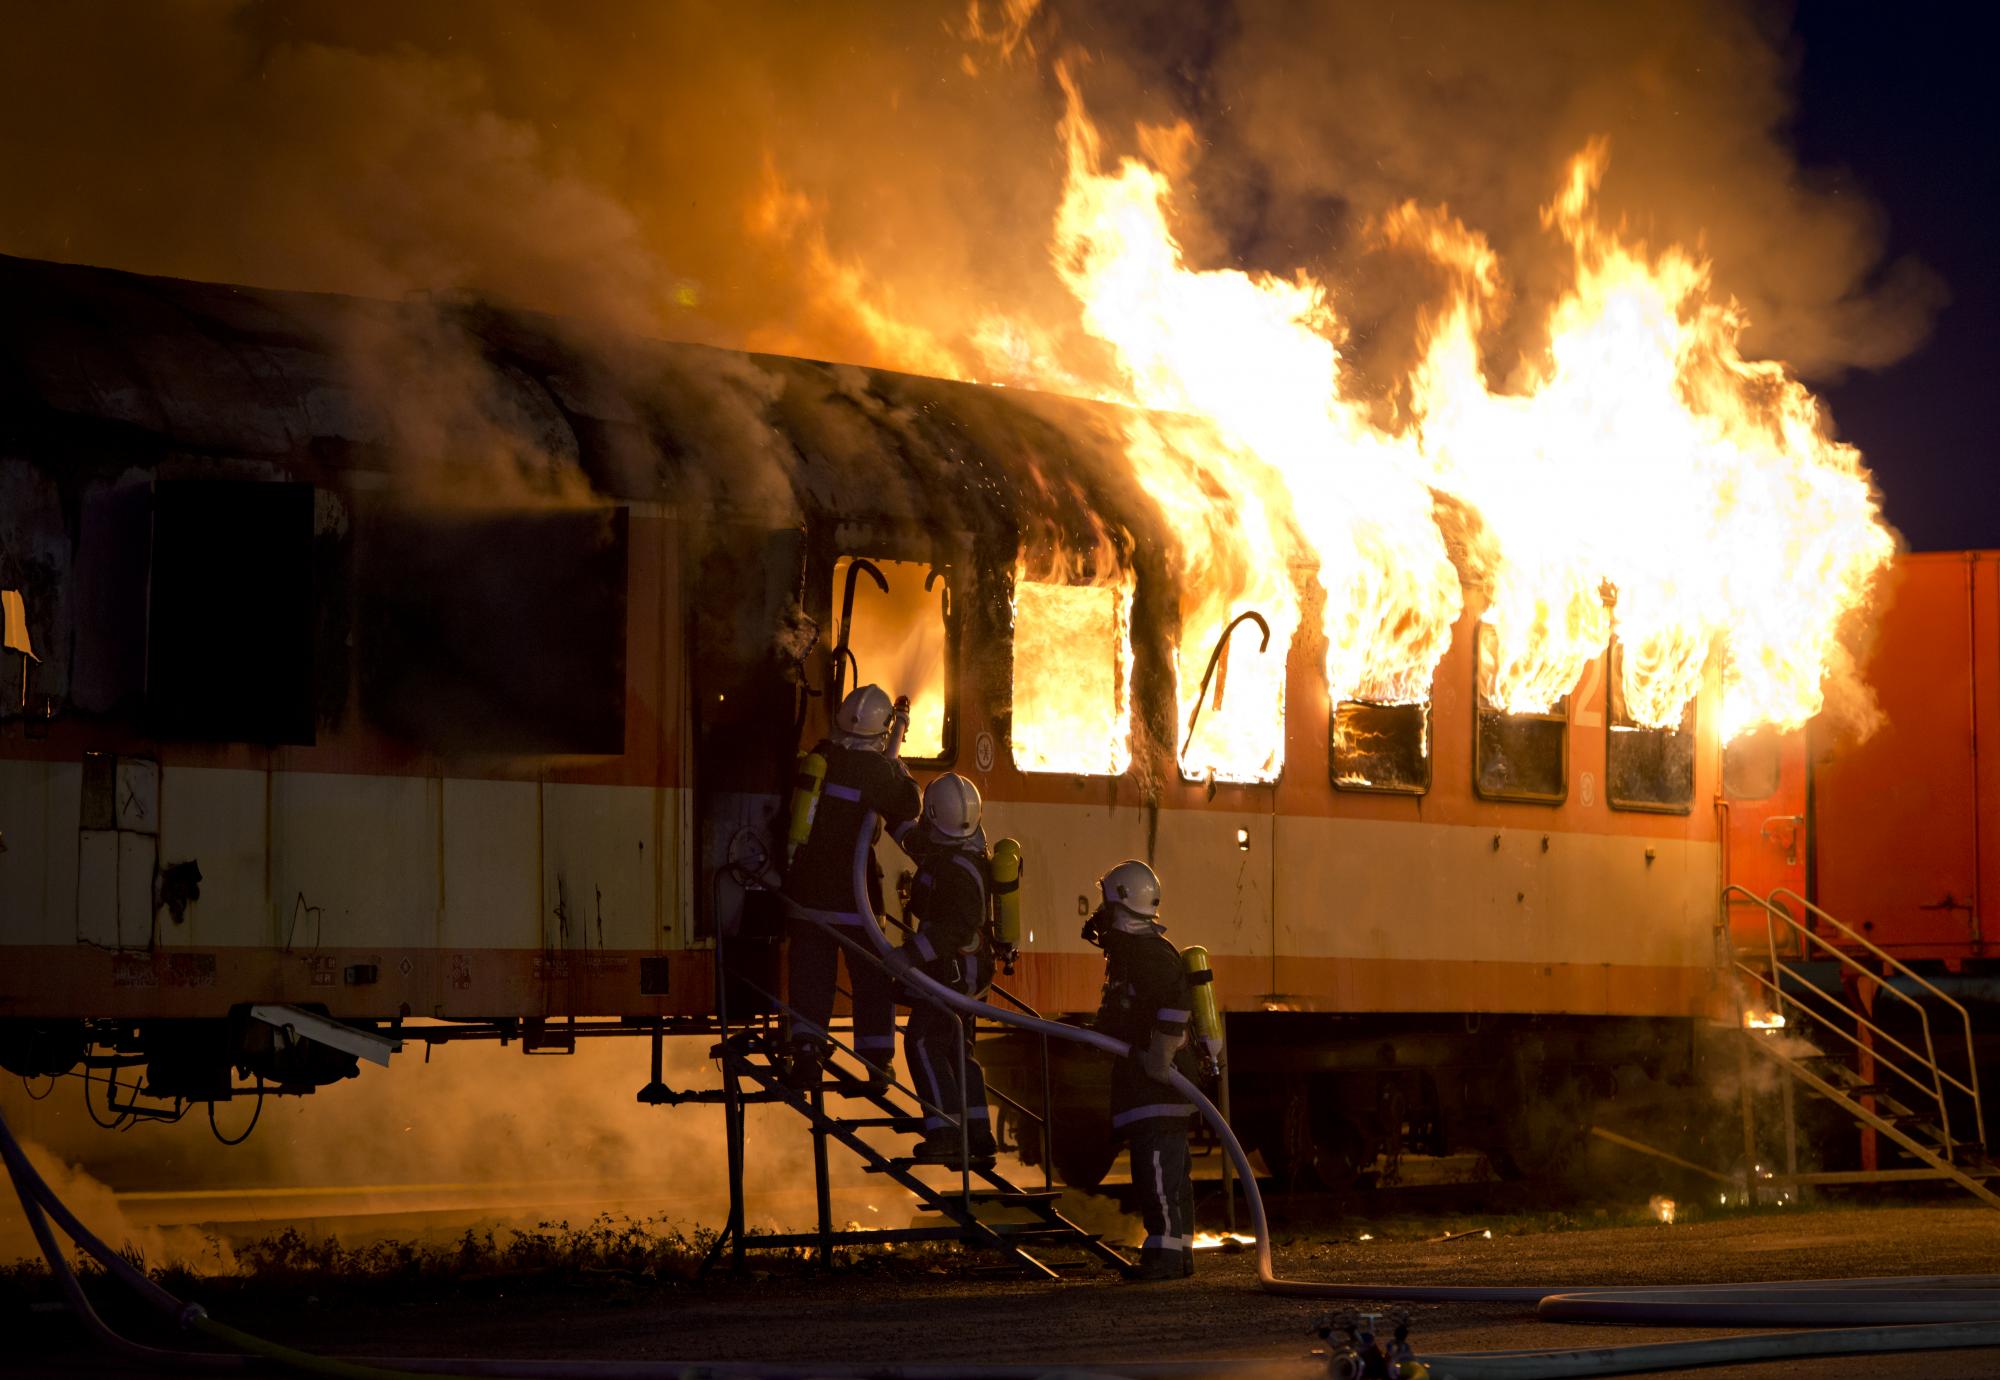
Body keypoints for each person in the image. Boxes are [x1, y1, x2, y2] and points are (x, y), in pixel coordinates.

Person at [781, 684, 921, 1091]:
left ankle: (807, 1057)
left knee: (811, 978)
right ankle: (877, 1064)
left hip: (806, 895)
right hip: (853, 898)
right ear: (881, 732)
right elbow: (909, 804)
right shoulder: (876, 771)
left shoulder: (820, 758)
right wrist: (897, 768)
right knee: (872, 977)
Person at [1087, 859, 1197, 1282]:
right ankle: (1179, 1254)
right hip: (1152, 1087)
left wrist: (1161, 1055)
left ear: (1119, 903)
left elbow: (1175, 1002)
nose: (1100, 912)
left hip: (1158, 1087)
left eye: (1105, 903)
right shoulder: (1132, 954)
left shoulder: (1148, 953)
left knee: (1156, 1173)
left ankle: (1166, 1257)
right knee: (1170, 1175)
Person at [891, 773, 1001, 1165]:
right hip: (966, 974)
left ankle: (944, 1130)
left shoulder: (955, 870)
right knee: (958, 1050)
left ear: (935, 817)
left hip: (953, 972)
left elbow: (955, 927)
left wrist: (909, 955)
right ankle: (978, 1133)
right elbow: (916, 841)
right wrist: (893, 799)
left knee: (923, 1042)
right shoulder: (962, 853)